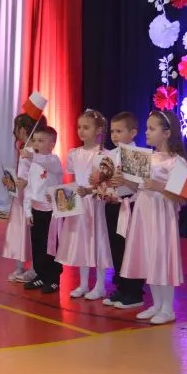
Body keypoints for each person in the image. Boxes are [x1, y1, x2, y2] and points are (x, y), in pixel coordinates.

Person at [117, 110, 187, 325]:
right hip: (144, 213)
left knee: (161, 258)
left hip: (162, 216)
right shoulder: (147, 158)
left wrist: (158, 186)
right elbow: (139, 187)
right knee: (149, 257)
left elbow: (182, 197)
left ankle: (168, 308)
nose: (146, 132)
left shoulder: (177, 162)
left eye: (151, 128)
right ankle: (156, 304)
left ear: (166, 133)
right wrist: (125, 180)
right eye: (147, 128)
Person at [55, 109, 113, 300]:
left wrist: (90, 190)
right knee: (81, 243)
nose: (81, 131)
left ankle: (100, 285)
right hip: (78, 203)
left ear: (98, 130)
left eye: (86, 127)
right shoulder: (74, 153)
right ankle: (83, 283)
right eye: (79, 127)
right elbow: (73, 180)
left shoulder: (103, 154)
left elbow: (106, 184)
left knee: (97, 241)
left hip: (95, 203)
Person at [101, 111, 145, 309]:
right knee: (116, 247)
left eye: (119, 131)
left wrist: (124, 181)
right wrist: (101, 185)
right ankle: (121, 286)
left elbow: (141, 187)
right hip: (113, 204)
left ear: (133, 132)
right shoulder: (110, 155)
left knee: (131, 248)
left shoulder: (137, 155)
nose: (114, 135)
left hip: (130, 205)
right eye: (112, 131)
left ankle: (134, 291)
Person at [22, 126, 63, 293]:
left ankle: (53, 278)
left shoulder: (54, 161)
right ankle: (40, 274)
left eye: (41, 140)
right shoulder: (33, 164)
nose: (36, 144)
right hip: (36, 210)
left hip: (51, 212)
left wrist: (32, 156)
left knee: (51, 246)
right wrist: (28, 211)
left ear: (52, 144)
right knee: (37, 245)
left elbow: (45, 162)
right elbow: (29, 189)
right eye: (34, 140)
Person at [5, 113, 44, 283]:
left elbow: (38, 174)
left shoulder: (34, 151)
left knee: (30, 232)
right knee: (18, 230)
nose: (14, 131)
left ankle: (34, 268)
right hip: (20, 195)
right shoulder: (22, 147)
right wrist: (11, 181)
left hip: (30, 195)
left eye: (16, 128)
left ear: (23, 129)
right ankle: (20, 265)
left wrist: (24, 183)